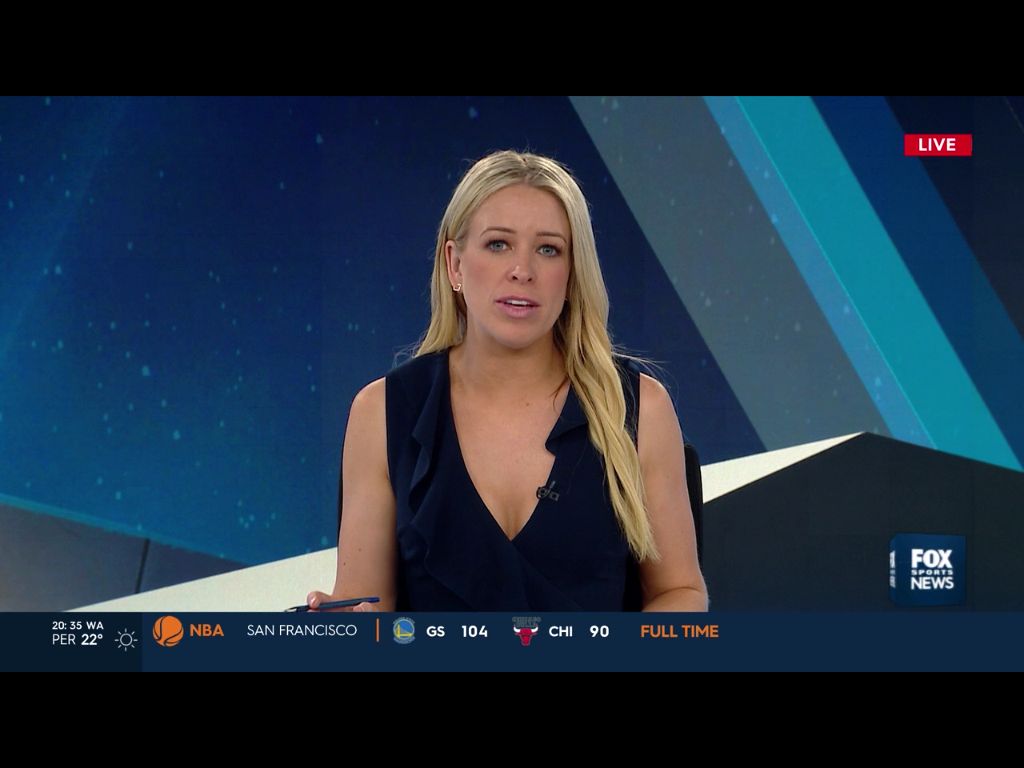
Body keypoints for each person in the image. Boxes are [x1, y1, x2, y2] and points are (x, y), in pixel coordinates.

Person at [306, 149, 707, 612]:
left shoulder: (639, 408)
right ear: (455, 265)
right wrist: (345, 627)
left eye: (548, 249)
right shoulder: (381, 413)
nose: (523, 271)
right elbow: (367, 607)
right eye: (498, 244)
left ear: (572, 274)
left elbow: (681, 593)